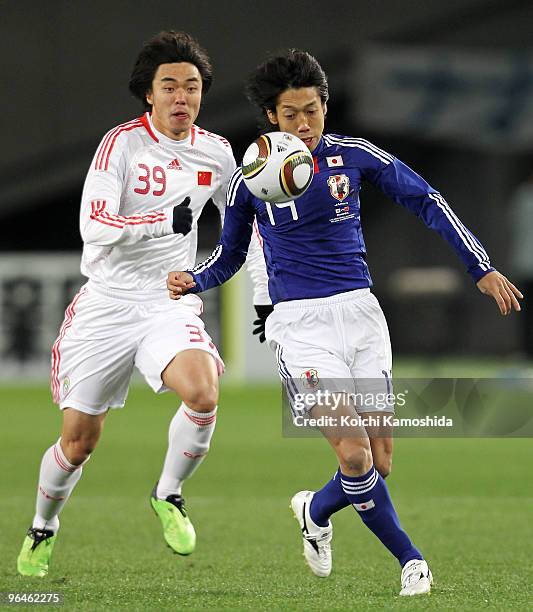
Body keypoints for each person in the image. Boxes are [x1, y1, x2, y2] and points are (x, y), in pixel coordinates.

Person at [167, 49, 523, 596]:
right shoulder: (248, 182)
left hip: (361, 316)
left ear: (325, 106)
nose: (305, 124)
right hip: (300, 328)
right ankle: (411, 561)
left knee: (378, 459)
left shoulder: (352, 156)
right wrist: (197, 279)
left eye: (313, 110)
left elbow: (426, 199)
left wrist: (480, 267)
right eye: (291, 115)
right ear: (271, 118)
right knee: (354, 453)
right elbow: (231, 255)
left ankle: (315, 508)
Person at [17, 30, 267, 578]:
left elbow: (243, 232)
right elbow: (93, 225)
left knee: (203, 392)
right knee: (79, 442)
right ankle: (43, 527)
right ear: (148, 95)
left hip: (166, 299)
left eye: (193, 87)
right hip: (107, 304)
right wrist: (160, 221)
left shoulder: (218, 153)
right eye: (170, 86)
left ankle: (168, 493)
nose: (183, 97)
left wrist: (265, 295)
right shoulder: (122, 144)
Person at [509, 169, 533, 358]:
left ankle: (525, 351)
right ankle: (526, 351)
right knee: (525, 314)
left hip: (523, 263)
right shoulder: (523, 198)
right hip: (526, 265)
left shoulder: (520, 197)